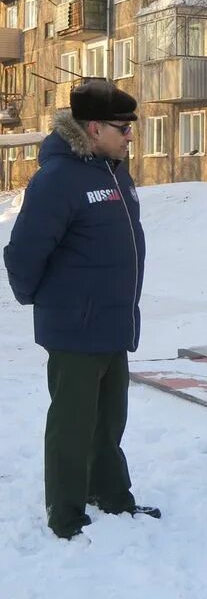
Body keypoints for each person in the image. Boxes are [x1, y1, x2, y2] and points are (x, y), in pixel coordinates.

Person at [3, 81, 158, 540]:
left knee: (110, 419)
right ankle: (66, 514)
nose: (130, 136)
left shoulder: (114, 172)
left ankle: (109, 494)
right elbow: (25, 250)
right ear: (94, 128)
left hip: (113, 321)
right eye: (122, 128)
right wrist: (44, 301)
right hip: (75, 324)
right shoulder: (58, 178)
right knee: (72, 423)